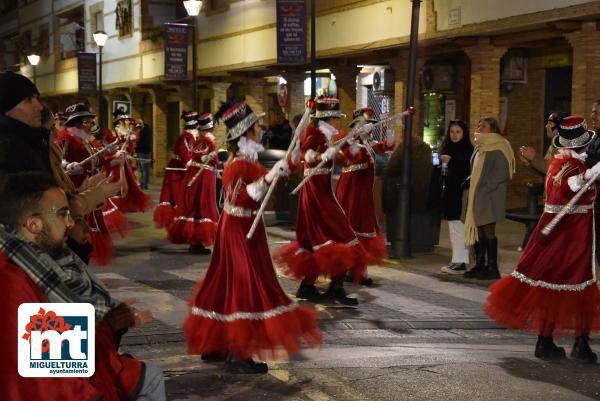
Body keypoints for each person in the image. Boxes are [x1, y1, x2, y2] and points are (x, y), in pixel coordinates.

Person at [0, 172, 165, 401]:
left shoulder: (32, 265)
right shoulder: (15, 283)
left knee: (150, 377)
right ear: (34, 224)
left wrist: (109, 325)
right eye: (63, 214)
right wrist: (107, 327)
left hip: (90, 372)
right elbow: (58, 378)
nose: (70, 222)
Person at [183, 102, 321, 374]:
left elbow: (279, 170)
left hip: (241, 227)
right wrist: (270, 177)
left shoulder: (247, 161)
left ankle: (219, 343)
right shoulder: (239, 165)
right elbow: (243, 197)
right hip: (239, 230)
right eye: (257, 128)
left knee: (226, 284)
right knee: (243, 286)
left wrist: (291, 157)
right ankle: (238, 351)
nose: (262, 131)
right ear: (247, 134)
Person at [484, 116, 600, 362]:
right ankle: (577, 344)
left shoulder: (561, 161)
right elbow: (568, 188)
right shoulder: (571, 166)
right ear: (583, 145)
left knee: (552, 287)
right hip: (571, 236)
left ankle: (548, 341)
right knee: (577, 286)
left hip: (561, 234)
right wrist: (592, 172)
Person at [274, 97, 367, 305]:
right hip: (315, 192)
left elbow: (344, 160)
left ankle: (314, 286)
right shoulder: (314, 133)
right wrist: (321, 156)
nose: (339, 124)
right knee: (337, 236)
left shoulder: (330, 136)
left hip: (323, 192)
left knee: (320, 241)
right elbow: (306, 154)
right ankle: (331, 287)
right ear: (329, 119)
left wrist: (350, 146)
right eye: (337, 119)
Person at [56, 103, 127, 265]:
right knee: (74, 227)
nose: (91, 125)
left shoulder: (85, 140)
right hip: (73, 190)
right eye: (88, 122)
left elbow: (98, 160)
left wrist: (115, 158)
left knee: (86, 228)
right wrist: (67, 165)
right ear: (78, 123)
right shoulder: (65, 138)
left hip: (89, 189)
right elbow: (57, 159)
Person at [335, 107, 395, 283]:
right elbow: (351, 155)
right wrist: (356, 136)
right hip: (351, 194)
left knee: (363, 234)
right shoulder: (349, 142)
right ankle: (346, 271)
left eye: (370, 125)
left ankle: (358, 271)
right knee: (352, 232)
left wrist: (390, 131)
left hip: (363, 196)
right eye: (366, 124)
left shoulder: (368, 144)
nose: (369, 128)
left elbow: (385, 146)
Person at [462, 117, 515, 280]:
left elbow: (502, 171)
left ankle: (492, 267)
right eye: (479, 125)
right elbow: (477, 168)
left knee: (488, 230)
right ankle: (480, 264)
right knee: (478, 230)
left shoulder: (498, 146)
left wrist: (485, 188)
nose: (479, 128)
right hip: (477, 194)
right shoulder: (480, 146)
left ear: (492, 130)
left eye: (483, 126)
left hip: (489, 196)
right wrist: (471, 180)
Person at [167, 113, 220, 254]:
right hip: (204, 178)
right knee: (203, 207)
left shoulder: (199, 140)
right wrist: (211, 157)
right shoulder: (207, 141)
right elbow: (205, 158)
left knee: (196, 207)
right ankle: (196, 242)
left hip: (199, 176)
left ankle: (195, 242)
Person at [438, 120, 474, 275]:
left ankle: (461, 261)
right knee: (453, 227)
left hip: (461, 194)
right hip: (450, 193)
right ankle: (456, 259)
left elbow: (466, 171)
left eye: (458, 132)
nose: (454, 135)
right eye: (452, 132)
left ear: (464, 133)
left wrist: (451, 162)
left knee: (459, 227)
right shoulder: (448, 148)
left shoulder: (467, 150)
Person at [153, 111, 198, 229]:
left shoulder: (191, 136)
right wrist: (191, 164)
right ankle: (178, 226)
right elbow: (184, 154)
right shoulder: (185, 137)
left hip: (183, 171)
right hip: (177, 172)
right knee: (178, 198)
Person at [102, 110, 152, 214]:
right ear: (119, 122)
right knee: (116, 184)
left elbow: (130, 149)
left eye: (127, 120)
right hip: (114, 161)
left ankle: (124, 205)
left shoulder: (128, 133)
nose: (127, 122)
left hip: (125, 162)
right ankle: (114, 208)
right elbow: (106, 148)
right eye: (125, 120)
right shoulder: (110, 132)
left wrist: (129, 142)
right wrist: (116, 151)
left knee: (128, 185)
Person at [518, 112, 567, 176]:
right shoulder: (552, 146)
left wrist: (534, 157)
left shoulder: (565, 148)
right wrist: (528, 162)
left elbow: (555, 171)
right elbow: (545, 172)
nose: (546, 126)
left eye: (550, 123)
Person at [135, 120, 153, 190]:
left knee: (145, 169)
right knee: (141, 170)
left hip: (145, 152)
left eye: (139, 125)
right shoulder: (140, 130)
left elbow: (145, 142)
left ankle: (144, 185)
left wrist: (137, 146)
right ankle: (143, 184)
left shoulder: (147, 131)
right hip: (139, 151)